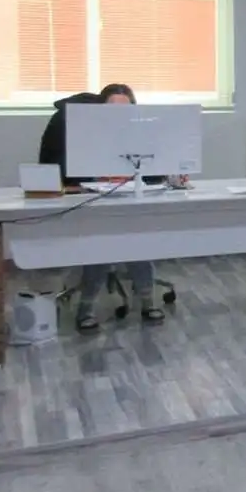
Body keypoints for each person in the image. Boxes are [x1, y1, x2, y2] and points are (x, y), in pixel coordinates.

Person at [38, 83, 174, 332]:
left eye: (125, 109)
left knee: (139, 242)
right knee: (100, 245)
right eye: (111, 109)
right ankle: (86, 307)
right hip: (93, 201)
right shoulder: (83, 134)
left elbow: (156, 174)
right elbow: (64, 173)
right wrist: (92, 179)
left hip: (132, 200)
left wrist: (163, 172)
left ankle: (147, 301)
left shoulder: (141, 134)